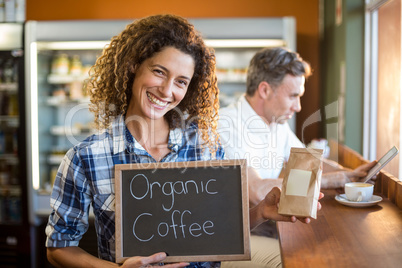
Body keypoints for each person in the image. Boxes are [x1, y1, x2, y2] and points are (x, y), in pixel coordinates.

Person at [45, 15, 319, 268]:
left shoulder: (206, 145)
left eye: (181, 81)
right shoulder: (85, 158)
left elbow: (218, 231)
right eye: (159, 72)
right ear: (133, 66)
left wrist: (261, 212)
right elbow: (59, 248)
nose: (167, 91)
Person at [218, 47, 376, 268]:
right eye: (293, 96)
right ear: (264, 90)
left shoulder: (275, 123)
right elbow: (255, 191)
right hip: (231, 239)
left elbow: (311, 162)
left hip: (265, 227)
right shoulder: (227, 124)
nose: (298, 106)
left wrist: (353, 175)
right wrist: (337, 180)